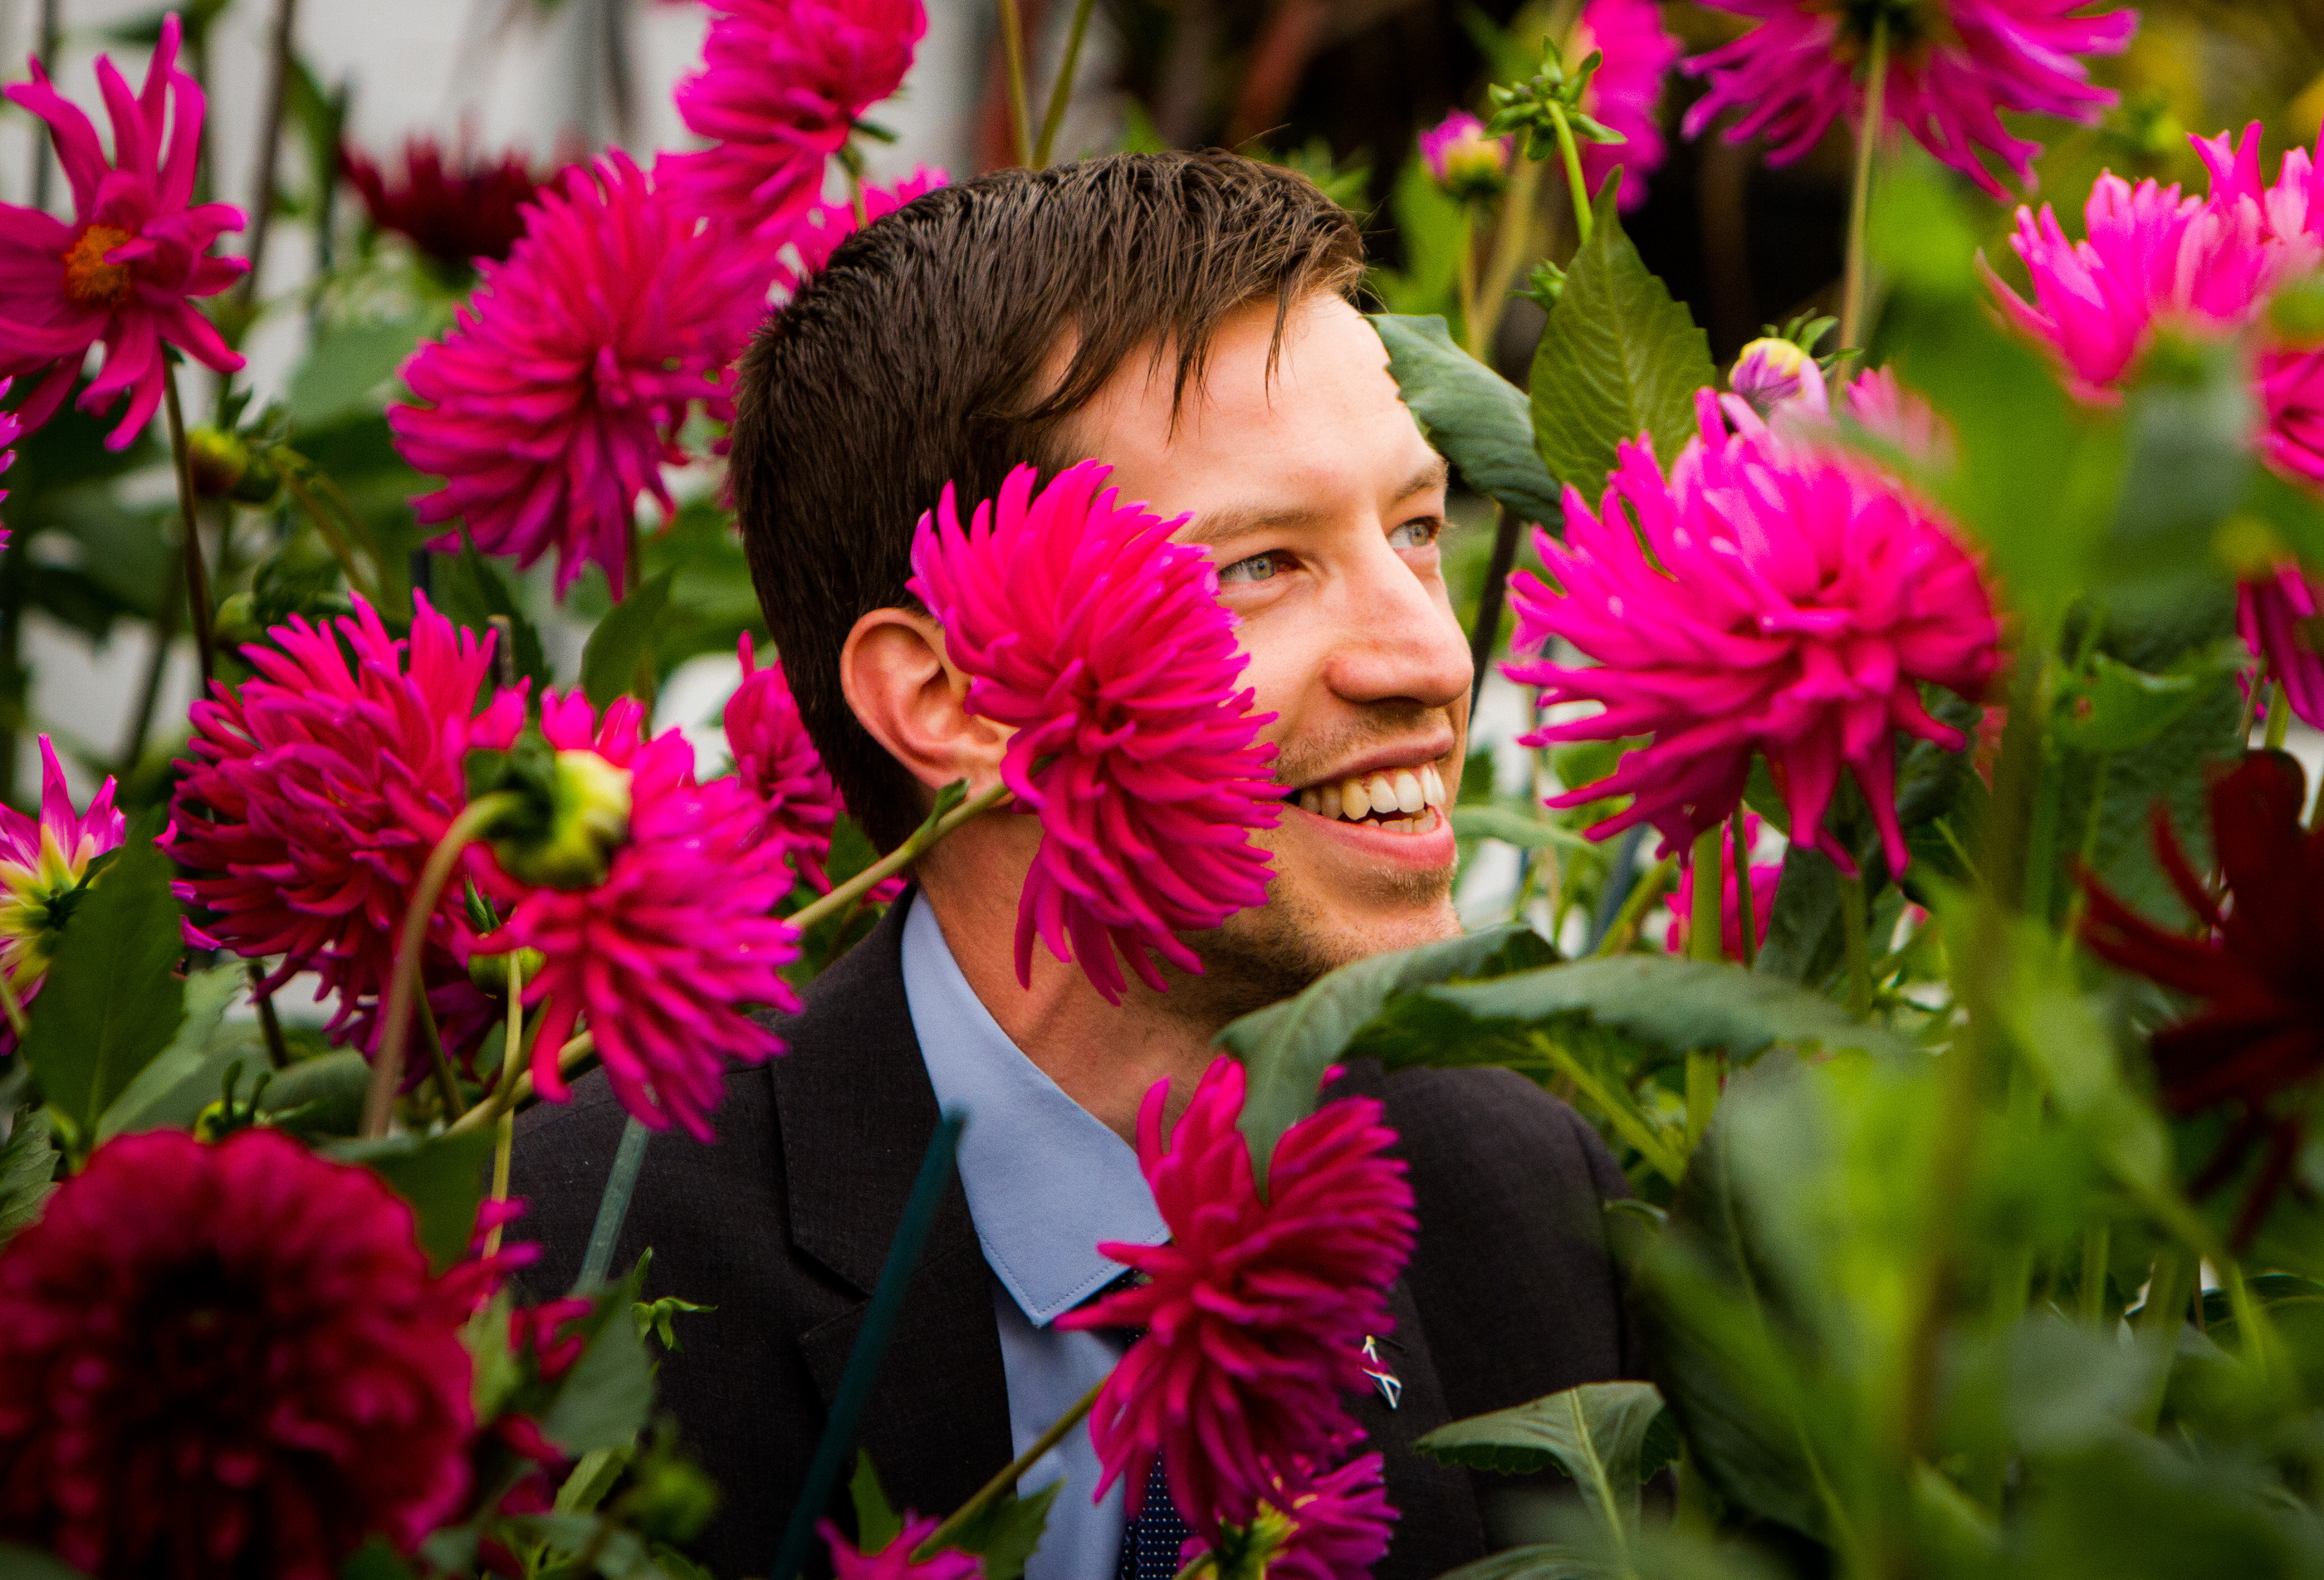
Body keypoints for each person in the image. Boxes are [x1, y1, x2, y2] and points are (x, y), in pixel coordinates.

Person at [506, 151, 1638, 1580]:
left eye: (1415, 530)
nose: (1431, 654)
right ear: (954, 703)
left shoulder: (1527, 1217)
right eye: (1260, 566)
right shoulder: (567, 1288)